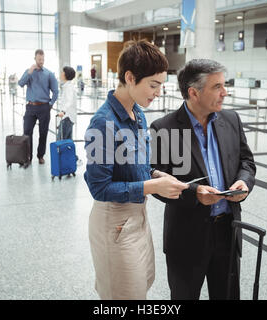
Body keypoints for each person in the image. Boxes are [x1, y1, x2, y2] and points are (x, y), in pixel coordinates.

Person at [84, 40, 188, 300]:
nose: (158, 92)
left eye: (161, 85)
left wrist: (155, 175)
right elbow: (99, 187)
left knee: (140, 287)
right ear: (130, 77)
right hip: (115, 224)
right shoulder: (103, 122)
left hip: (138, 219)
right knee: (124, 295)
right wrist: (152, 187)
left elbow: (135, 165)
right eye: (153, 85)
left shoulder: (138, 114)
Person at [150, 59, 256, 300]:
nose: (224, 92)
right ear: (194, 92)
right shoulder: (164, 129)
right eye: (217, 86)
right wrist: (193, 193)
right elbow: (155, 181)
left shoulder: (231, 120)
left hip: (228, 232)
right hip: (187, 238)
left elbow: (246, 162)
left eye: (224, 85)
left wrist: (244, 182)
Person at [18, 49, 59, 165]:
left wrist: (50, 104)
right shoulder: (29, 72)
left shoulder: (49, 74)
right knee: (27, 132)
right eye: (39, 59)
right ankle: (27, 157)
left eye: (43, 59)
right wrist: (29, 71)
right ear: (35, 59)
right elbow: (21, 83)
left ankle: (40, 155)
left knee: (43, 133)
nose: (41, 61)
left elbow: (56, 91)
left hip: (44, 107)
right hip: (30, 107)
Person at [57, 66, 77, 140]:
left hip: (67, 118)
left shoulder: (69, 87)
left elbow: (69, 101)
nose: (61, 74)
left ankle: (60, 152)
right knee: (67, 141)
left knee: (61, 140)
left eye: (62, 72)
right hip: (67, 117)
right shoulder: (67, 86)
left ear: (66, 75)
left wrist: (63, 111)